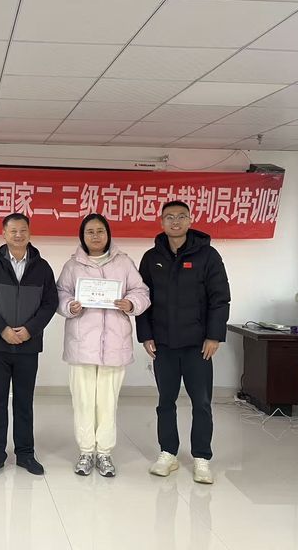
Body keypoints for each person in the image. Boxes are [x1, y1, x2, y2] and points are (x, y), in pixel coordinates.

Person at [136, 201, 230, 484]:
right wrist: (146, 335)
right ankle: (168, 453)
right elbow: (142, 299)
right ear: (161, 222)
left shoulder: (208, 255)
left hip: (198, 344)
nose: (175, 222)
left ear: (190, 220)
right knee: (165, 401)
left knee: (201, 402)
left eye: (180, 217)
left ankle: (202, 457)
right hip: (163, 344)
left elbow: (220, 298)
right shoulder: (151, 258)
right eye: (169, 217)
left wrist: (214, 335)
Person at [56, 213, 150, 477]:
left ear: (108, 234)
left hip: (114, 344)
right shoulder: (72, 265)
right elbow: (60, 293)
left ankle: (105, 453)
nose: (95, 236)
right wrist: (69, 306)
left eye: (100, 231)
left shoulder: (124, 262)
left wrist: (131, 303)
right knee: (84, 401)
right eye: (90, 232)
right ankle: (86, 451)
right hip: (81, 344)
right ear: (82, 236)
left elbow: (141, 291)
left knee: (108, 402)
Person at [0, 213, 58, 477]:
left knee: (24, 400)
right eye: (13, 231)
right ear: (4, 234)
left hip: (28, 346)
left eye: (23, 230)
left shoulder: (42, 268)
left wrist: (30, 330)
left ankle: (25, 453)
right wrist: (3, 330)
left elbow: (50, 304)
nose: (18, 235)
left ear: (30, 232)